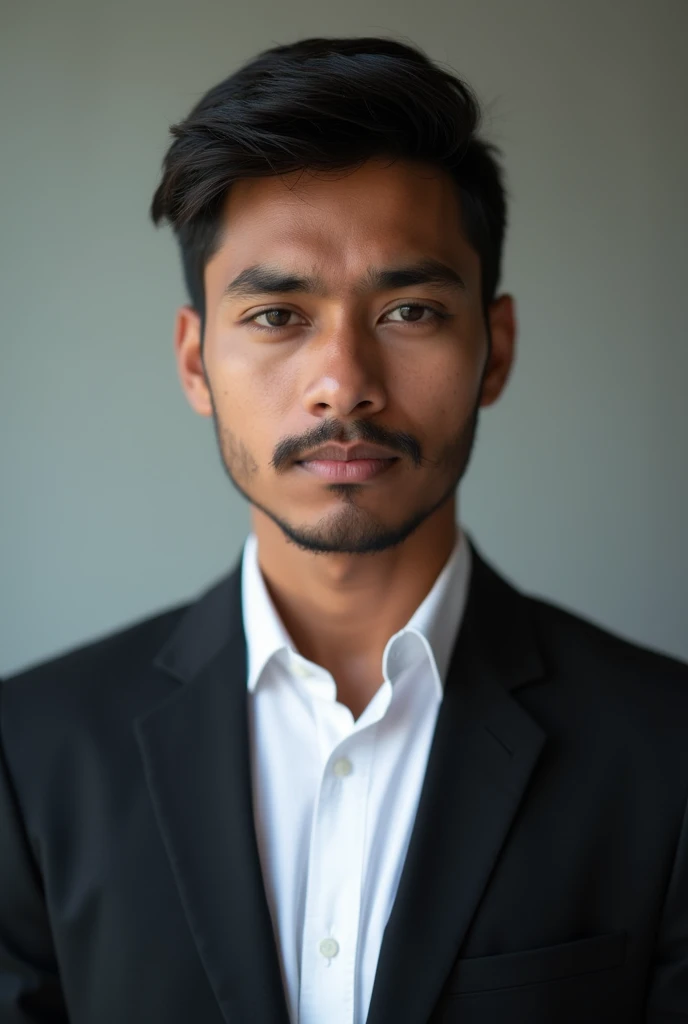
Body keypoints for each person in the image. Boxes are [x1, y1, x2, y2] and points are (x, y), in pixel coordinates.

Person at [1, 35, 686, 1024]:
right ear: (195, 362)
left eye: (408, 309)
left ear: (493, 349)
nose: (345, 385)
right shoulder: (30, 756)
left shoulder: (665, 757)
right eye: (277, 315)